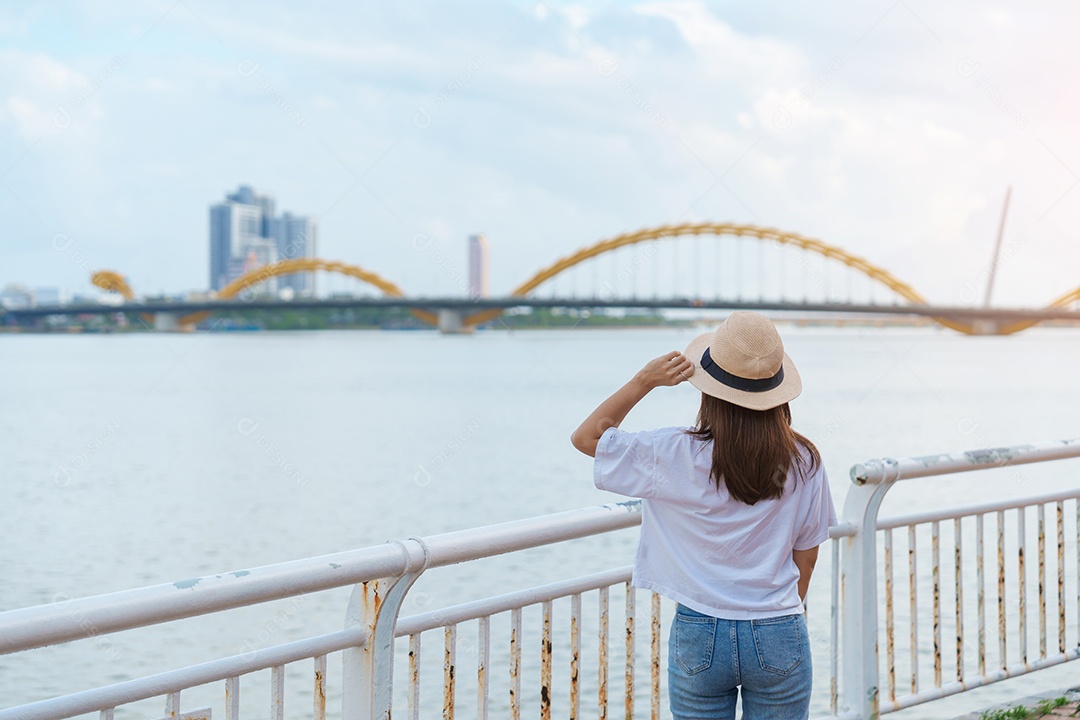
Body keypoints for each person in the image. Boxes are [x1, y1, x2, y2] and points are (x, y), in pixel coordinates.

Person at [570, 311, 836, 720]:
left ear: (709, 390)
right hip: (779, 626)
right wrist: (778, 613)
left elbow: (587, 437)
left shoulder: (673, 453)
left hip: (700, 629)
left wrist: (645, 380)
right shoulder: (804, 459)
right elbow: (808, 554)